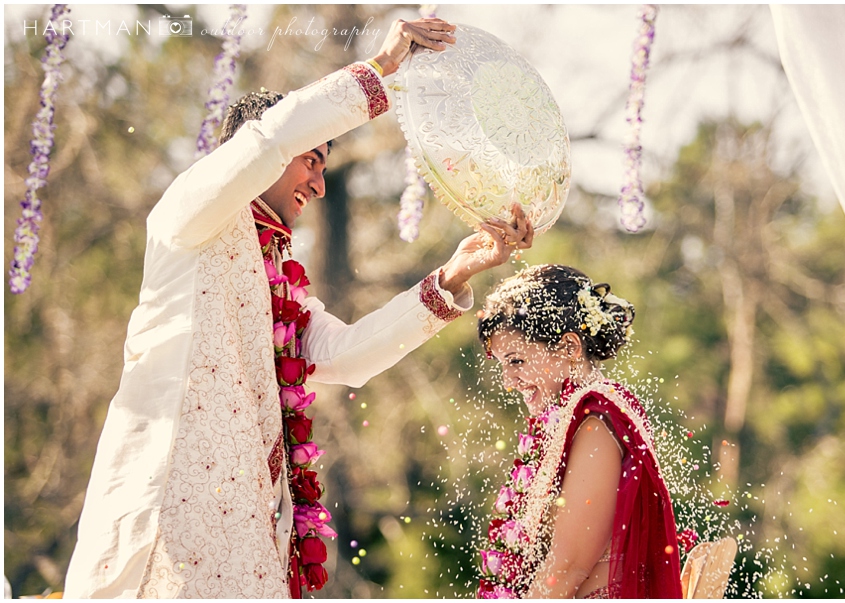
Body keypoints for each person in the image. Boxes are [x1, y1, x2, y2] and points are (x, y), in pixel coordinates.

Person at [64, 17, 535, 599]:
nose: (317, 183)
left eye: (323, 166)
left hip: (249, 539)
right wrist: (380, 67)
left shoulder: (281, 285)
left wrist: (458, 271)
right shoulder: (186, 221)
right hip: (162, 518)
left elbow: (350, 355)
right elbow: (271, 140)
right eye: (310, 160)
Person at [474, 264, 682, 599]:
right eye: (503, 366)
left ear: (569, 348)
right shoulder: (574, 420)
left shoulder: (597, 423)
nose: (508, 383)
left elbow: (567, 567)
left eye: (516, 361)